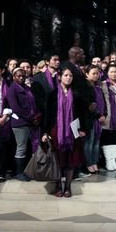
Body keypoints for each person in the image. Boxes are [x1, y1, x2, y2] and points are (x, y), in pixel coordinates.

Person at [42, 68, 88, 198]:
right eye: (66, 75)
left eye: (70, 75)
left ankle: (67, 187)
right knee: (57, 159)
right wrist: (45, 132)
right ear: (60, 77)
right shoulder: (52, 94)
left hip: (73, 131)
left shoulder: (77, 94)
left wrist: (83, 129)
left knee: (71, 160)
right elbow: (47, 114)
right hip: (56, 130)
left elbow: (82, 113)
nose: (68, 78)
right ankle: (58, 187)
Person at [5, 67, 37, 181]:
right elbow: (15, 108)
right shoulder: (12, 89)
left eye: (23, 76)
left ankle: (26, 171)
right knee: (21, 148)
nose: (21, 78)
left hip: (29, 121)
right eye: (18, 76)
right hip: (20, 122)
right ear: (13, 77)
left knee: (27, 148)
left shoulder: (26, 88)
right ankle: (18, 172)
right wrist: (31, 118)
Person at [83, 66, 106, 175]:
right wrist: (98, 115)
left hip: (99, 120)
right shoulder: (86, 86)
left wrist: (104, 114)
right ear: (87, 74)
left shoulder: (98, 86)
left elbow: (103, 102)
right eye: (93, 73)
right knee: (89, 142)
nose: (96, 75)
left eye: (97, 73)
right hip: (90, 119)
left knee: (97, 142)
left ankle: (94, 162)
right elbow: (88, 105)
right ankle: (88, 163)